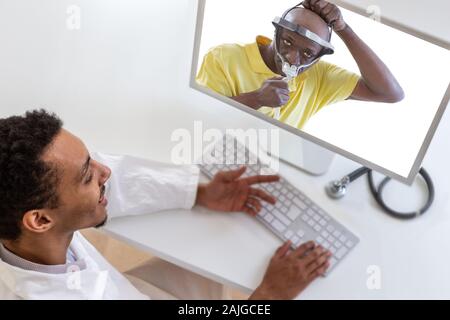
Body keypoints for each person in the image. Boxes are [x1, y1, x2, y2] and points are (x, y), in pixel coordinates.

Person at [0, 110, 331, 300]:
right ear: (40, 220)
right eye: (88, 176)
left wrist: (201, 193)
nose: (105, 172)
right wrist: (271, 296)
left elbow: (114, 182)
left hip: (131, 292)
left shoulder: (26, 217)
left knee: (213, 255)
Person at [196, 0, 404, 129]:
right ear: (276, 32)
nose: (293, 59)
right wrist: (256, 98)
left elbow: (391, 93)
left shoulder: (320, 77)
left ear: (319, 57)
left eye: (307, 53)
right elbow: (197, 118)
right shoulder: (224, 57)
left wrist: (343, 29)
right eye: (288, 42)